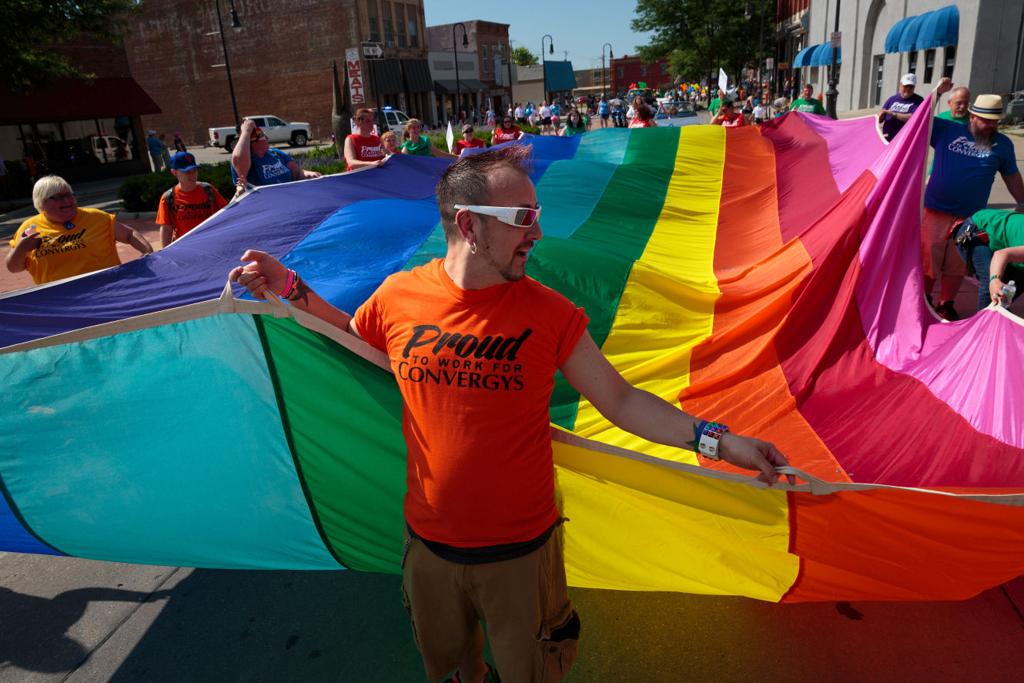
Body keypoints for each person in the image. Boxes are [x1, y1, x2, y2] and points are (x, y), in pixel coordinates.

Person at [230, 145, 791, 683]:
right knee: (451, 660)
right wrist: (291, 290)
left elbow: (620, 401)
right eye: (524, 217)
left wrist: (720, 441)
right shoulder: (399, 296)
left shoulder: (549, 313)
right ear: (470, 225)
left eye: (537, 215)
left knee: (532, 669)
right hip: (429, 547)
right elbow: (354, 341)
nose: (538, 233)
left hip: (523, 553)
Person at [923, 80, 1024, 320]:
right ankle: (923, 298)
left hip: (971, 219)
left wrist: (1022, 202)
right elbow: (919, 121)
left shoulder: (1002, 145)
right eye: (985, 120)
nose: (990, 125)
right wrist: (937, 93)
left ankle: (945, 303)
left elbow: (1012, 178)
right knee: (928, 259)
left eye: (994, 121)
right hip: (936, 210)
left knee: (958, 265)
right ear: (972, 116)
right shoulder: (947, 129)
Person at [6, 175, 153, 285]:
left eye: (69, 195)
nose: (67, 201)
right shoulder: (29, 227)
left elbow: (129, 235)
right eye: (57, 197)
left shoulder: (96, 217)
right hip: (60, 300)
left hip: (108, 289)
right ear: (41, 202)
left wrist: (148, 254)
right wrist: (21, 248)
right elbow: (14, 268)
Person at [952, 208, 1024, 310]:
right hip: (976, 230)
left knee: (1006, 294)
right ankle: (984, 324)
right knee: (991, 285)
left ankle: (998, 312)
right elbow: (1001, 255)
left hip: (1002, 238)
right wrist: (995, 280)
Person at [156, 151, 228, 248]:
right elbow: (166, 229)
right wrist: (165, 252)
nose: (192, 175)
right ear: (174, 172)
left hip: (211, 244)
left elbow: (225, 213)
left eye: (194, 170)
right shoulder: (168, 197)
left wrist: (238, 195)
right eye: (187, 172)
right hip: (185, 248)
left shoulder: (208, 189)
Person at [232, 119, 322, 188]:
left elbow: (297, 173)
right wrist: (246, 132)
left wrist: (308, 174)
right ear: (250, 141)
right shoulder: (246, 160)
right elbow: (238, 160)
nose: (266, 138)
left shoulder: (276, 153)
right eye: (261, 135)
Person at [878, 73, 924, 142]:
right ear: (900, 85)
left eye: (910, 87)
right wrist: (881, 116)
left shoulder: (919, 100)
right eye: (905, 86)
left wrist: (893, 114)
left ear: (914, 87)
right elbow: (881, 115)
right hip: (887, 138)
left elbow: (913, 118)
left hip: (904, 141)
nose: (908, 89)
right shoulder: (892, 99)